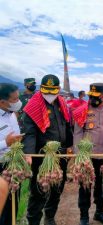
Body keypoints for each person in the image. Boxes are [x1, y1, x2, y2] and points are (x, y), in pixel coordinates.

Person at [22, 74, 73, 225]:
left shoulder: (62, 103)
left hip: (61, 153)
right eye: (47, 91)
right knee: (38, 190)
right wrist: (29, 154)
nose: (50, 94)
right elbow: (29, 133)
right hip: (41, 155)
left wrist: (69, 146)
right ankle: (34, 220)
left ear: (58, 90)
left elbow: (66, 126)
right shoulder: (33, 106)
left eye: (53, 91)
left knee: (57, 186)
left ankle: (50, 217)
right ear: (41, 89)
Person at [73, 83, 103, 225]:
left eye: (96, 96)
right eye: (90, 96)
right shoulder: (82, 110)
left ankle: (99, 212)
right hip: (87, 156)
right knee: (85, 186)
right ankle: (84, 216)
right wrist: (78, 156)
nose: (92, 98)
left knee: (102, 186)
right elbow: (77, 133)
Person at [0, 83, 23, 225]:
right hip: (0, 166)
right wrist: (5, 143)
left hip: (13, 165)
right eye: (15, 99)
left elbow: (16, 138)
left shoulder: (12, 114)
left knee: (12, 203)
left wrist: (22, 153)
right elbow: (8, 142)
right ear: (2, 102)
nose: (18, 102)